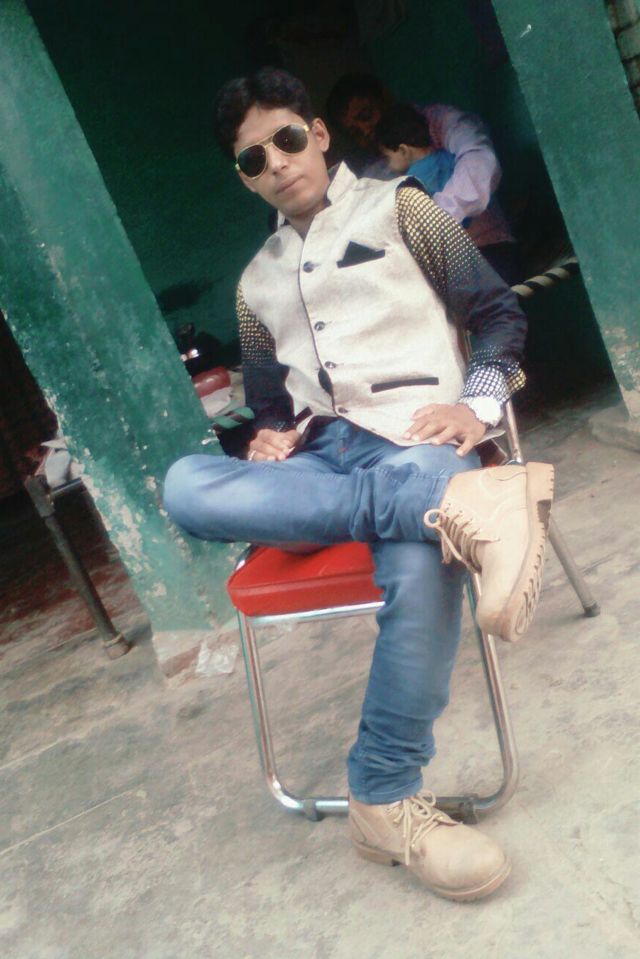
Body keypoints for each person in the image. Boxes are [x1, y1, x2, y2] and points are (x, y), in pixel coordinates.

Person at [163, 67, 554, 902]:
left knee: (420, 559)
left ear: (318, 134)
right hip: (319, 462)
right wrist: (267, 435)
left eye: (286, 139)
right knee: (187, 485)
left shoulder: (404, 207)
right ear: (243, 176)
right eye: (252, 158)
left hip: (418, 438)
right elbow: (271, 405)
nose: (275, 162)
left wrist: (478, 407)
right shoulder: (254, 284)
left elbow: (498, 315)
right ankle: (462, 509)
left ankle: (382, 795)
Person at [326, 72, 522, 284]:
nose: (366, 130)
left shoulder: (439, 121)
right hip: (432, 276)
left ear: (385, 97)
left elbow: (480, 160)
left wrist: (435, 219)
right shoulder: (374, 172)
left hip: (487, 248)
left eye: (366, 115)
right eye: (355, 133)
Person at [374, 102, 458, 200]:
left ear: (403, 151)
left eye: (387, 158)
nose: (388, 166)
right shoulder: (451, 157)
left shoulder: (411, 185)